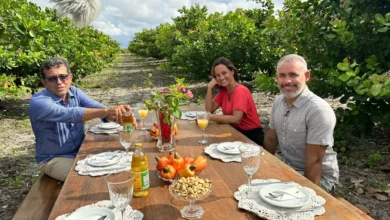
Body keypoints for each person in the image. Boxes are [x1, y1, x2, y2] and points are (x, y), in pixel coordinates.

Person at [29, 57, 133, 182]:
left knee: (121, 166)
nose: (59, 81)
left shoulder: (75, 93)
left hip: (80, 151)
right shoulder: (38, 102)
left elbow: (100, 110)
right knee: (88, 181)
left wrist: (122, 114)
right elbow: (70, 114)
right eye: (52, 78)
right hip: (53, 159)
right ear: (44, 82)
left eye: (63, 76)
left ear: (70, 78)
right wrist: (107, 111)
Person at [263, 54, 339, 192]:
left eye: (293, 75)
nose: (287, 81)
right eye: (282, 75)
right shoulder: (278, 102)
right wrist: (263, 168)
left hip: (318, 178)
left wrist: (307, 196)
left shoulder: (318, 111)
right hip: (287, 167)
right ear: (277, 77)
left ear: (307, 76)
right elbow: (271, 138)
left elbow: (314, 162)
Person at [205, 57, 264, 146]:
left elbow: (236, 119)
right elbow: (209, 109)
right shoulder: (224, 91)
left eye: (224, 73)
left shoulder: (240, 91)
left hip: (251, 137)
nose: (221, 77)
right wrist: (209, 88)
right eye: (218, 75)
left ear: (232, 72)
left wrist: (210, 117)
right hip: (236, 133)